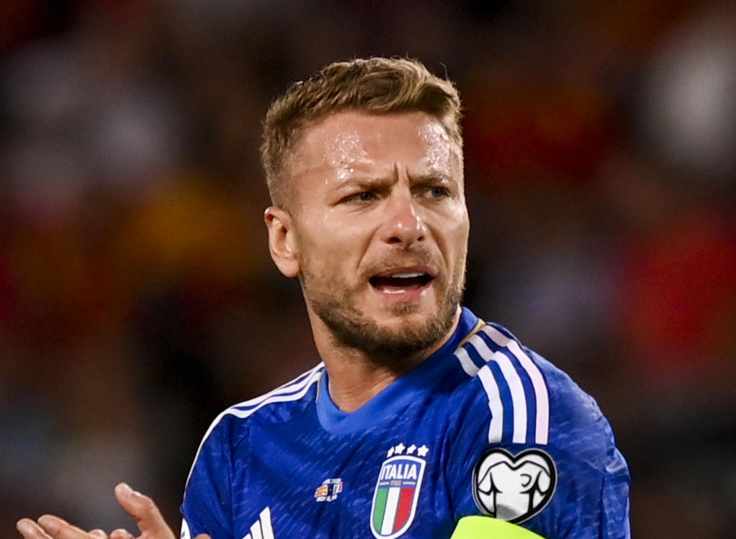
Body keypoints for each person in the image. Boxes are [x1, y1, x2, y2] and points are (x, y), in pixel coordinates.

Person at [16, 57, 630, 539]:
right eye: (363, 196)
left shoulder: (518, 417)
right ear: (285, 241)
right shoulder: (240, 448)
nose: (409, 225)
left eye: (435, 191)